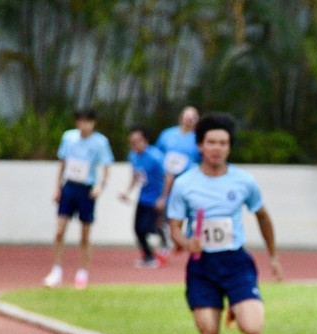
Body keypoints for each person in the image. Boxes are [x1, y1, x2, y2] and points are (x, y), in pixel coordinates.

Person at [166, 113, 283, 334]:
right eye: (211, 142)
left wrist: (272, 256)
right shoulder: (185, 184)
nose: (217, 148)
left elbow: (263, 217)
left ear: (230, 147)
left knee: (254, 330)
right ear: (200, 146)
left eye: (223, 143)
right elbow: (174, 226)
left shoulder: (243, 181)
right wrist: (183, 241)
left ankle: (234, 306)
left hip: (235, 263)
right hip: (202, 266)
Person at [43, 108, 115, 289]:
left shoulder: (100, 142)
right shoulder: (68, 138)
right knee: (60, 230)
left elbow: (106, 167)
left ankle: (82, 272)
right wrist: (57, 187)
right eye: (82, 121)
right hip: (69, 186)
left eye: (88, 122)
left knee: (85, 234)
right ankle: (56, 271)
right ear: (77, 123)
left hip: (86, 189)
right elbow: (62, 163)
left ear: (93, 123)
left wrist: (100, 186)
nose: (85, 126)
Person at [119, 126, 169, 268]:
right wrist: (127, 192)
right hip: (142, 198)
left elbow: (168, 177)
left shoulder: (156, 157)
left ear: (145, 140)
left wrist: (162, 198)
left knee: (146, 227)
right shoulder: (133, 156)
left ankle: (162, 235)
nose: (134, 144)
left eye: (137, 141)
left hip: (155, 199)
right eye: (132, 141)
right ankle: (148, 256)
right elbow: (136, 176)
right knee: (137, 228)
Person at [155, 106, 201, 215]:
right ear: (181, 117)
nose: (190, 120)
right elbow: (158, 154)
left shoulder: (199, 138)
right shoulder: (167, 134)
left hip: (187, 182)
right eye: (187, 116)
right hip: (165, 181)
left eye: (193, 117)